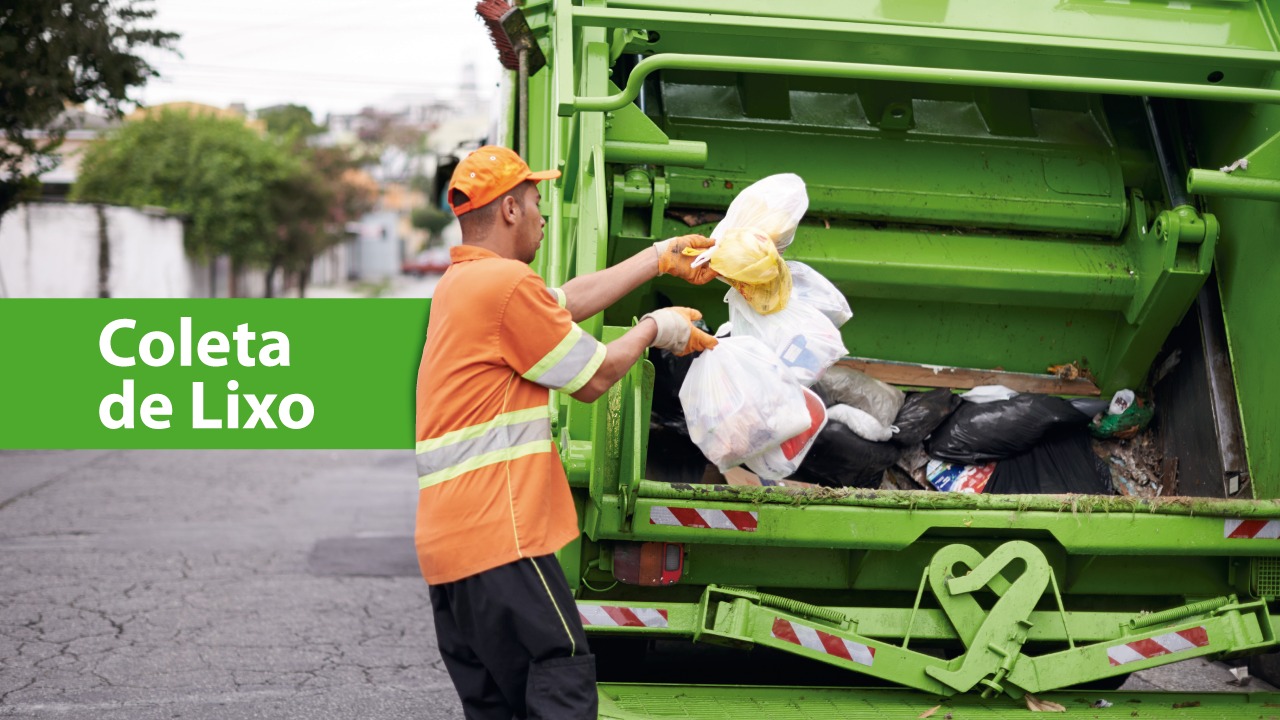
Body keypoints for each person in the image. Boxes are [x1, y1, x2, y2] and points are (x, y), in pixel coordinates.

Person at [414, 145, 718, 720]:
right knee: (561, 679)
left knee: (505, 707)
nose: (542, 214)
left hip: (452, 554)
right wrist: (659, 327)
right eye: (535, 201)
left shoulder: (464, 286)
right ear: (508, 211)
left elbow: (566, 303)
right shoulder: (504, 285)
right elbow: (596, 375)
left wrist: (658, 256)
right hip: (499, 536)